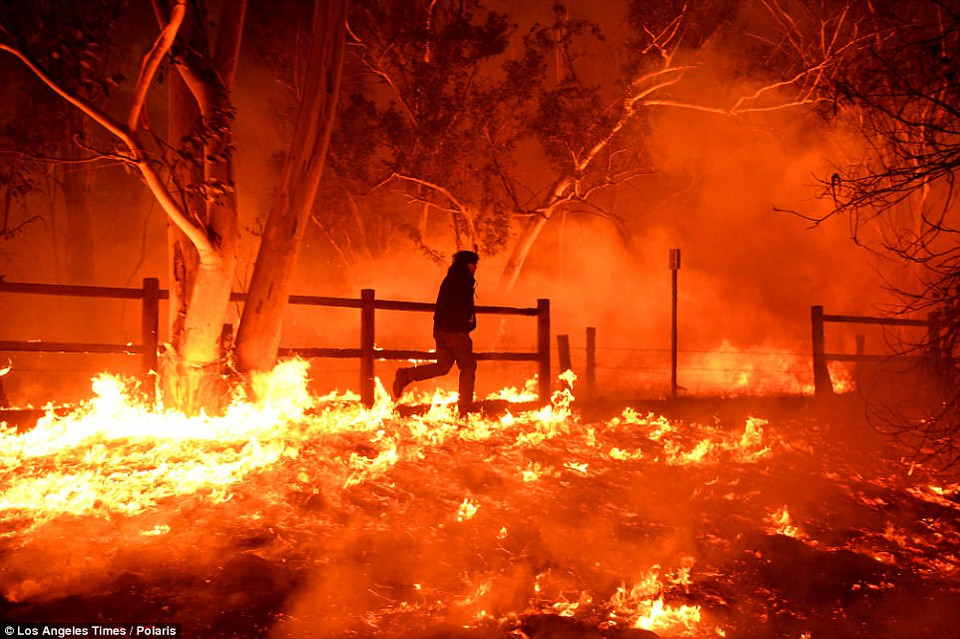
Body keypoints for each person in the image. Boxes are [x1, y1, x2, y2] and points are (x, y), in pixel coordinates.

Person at [392, 250, 479, 415]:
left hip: (440, 330)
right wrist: (468, 323)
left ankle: (407, 375)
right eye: (474, 264)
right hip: (456, 332)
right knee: (468, 366)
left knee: (443, 366)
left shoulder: (449, 279)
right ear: (467, 264)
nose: (475, 268)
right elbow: (464, 308)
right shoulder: (464, 280)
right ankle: (465, 406)